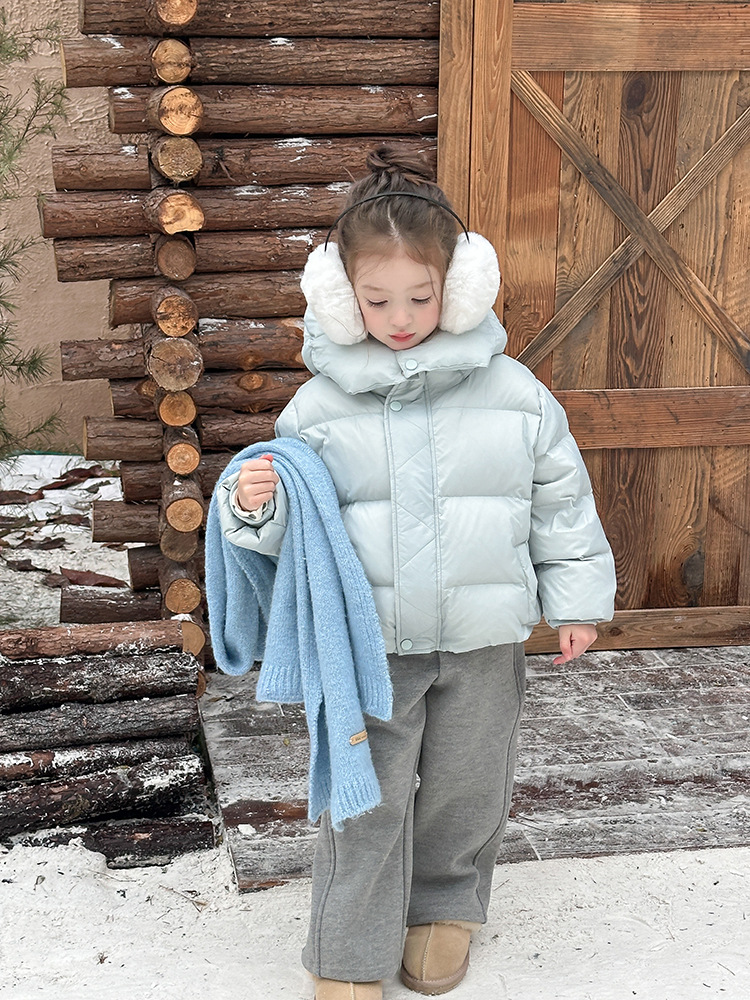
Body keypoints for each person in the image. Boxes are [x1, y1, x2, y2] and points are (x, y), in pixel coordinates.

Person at [215, 145, 617, 1000]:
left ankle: (443, 910)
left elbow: (561, 502)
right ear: (342, 299)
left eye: (421, 297)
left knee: (467, 790)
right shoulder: (318, 409)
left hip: (483, 642)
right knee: (365, 799)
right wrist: (254, 506)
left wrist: (577, 600)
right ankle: (348, 953)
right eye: (377, 300)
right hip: (371, 650)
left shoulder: (515, 394)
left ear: (459, 287)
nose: (401, 318)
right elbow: (300, 532)